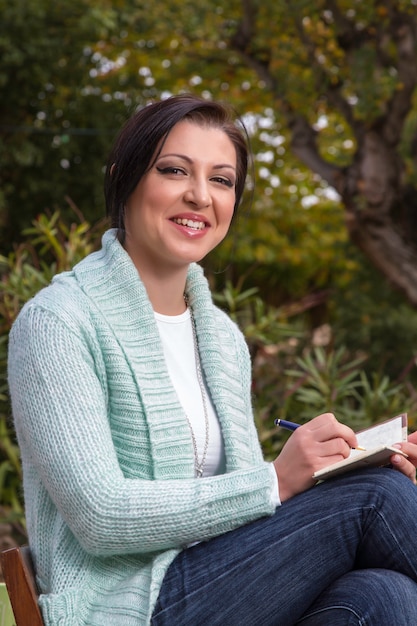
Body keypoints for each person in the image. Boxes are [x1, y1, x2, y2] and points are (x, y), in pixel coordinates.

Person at [7, 93, 417, 626]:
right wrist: (275, 480)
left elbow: (244, 516)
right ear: (124, 179)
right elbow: (100, 515)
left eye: (222, 180)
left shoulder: (220, 337)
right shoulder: (58, 323)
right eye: (175, 170)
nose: (200, 195)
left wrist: (337, 467)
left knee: (383, 596)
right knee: (376, 499)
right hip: (122, 610)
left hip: (223, 589)